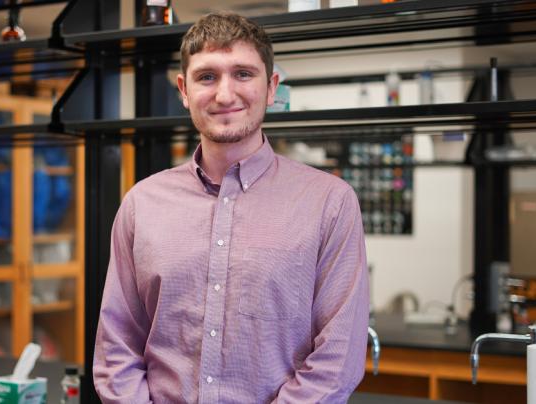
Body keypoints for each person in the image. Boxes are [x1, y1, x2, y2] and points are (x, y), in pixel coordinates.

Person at [93, 11, 369, 403]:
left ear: (271, 87)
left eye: (243, 74)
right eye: (207, 76)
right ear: (184, 90)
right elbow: (117, 343)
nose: (224, 94)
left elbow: (337, 359)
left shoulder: (330, 203)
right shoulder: (142, 203)